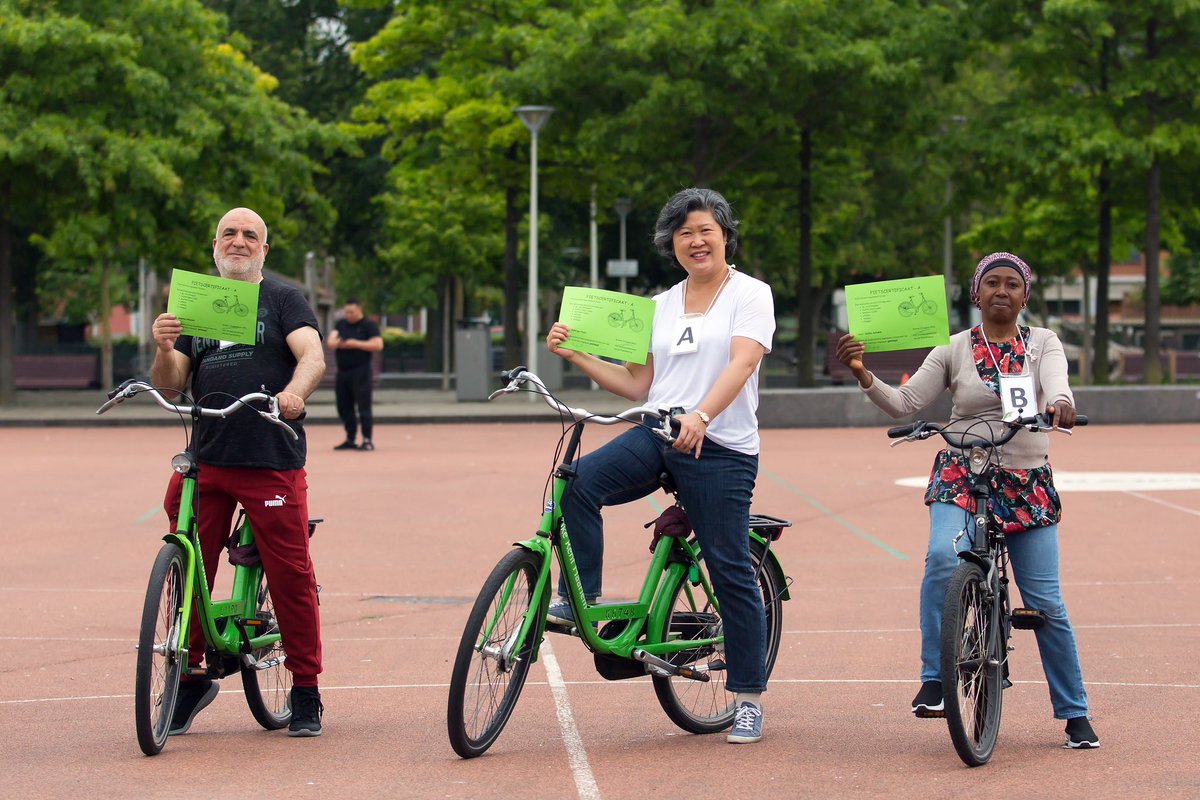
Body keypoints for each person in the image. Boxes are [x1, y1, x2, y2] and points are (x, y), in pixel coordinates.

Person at [835, 251, 1100, 749]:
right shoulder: (952, 348)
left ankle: (1074, 711)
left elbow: (1056, 386)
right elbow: (906, 403)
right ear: (976, 293)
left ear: (1025, 295)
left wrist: (1062, 404)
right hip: (963, 470)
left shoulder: (1043, 343)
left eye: (1012, 284)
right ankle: (935, 678)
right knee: (942, 557)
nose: (1002, 291)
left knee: (1045, 601)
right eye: (992, 283)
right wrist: (861, 372)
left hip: (1025, 481)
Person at [545, 187, 776, 744]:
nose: (696, 241)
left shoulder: (751, 294)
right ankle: (582, 598)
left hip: (720, 447)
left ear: (725, 235)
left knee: (729, 567)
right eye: (683, 233)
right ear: (671, 243)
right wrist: (576, 355)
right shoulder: (659, 305)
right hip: (658, 433)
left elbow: (743, 362)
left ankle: (748, 697)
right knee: (577, 482)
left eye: (705, 230)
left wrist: (702, 414)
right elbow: (637, 384)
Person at [150, 207, 327, 737]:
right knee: (189, 565)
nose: (239, 241)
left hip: (269, 453)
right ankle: (191, 675)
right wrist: (164, 347)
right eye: (229, 233)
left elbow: (312, 355)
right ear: (215, 245)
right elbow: (171, 383)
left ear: (264, 250)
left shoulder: (283, 299)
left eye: (251, 235)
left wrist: (294, 394)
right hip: (208, 453)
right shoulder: (196, 303)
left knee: (290, 574)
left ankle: (306, 688)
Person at [327, 298, 383, 451]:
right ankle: (350, 438)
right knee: (343, 406)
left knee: (364, 406)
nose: (349, 315)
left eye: (351, 312)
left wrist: (355, 343)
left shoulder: (369, 325)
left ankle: (367, 440)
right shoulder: (341, 324)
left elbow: (378, 344)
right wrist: (340, 343)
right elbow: (331, 341)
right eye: (346, 312)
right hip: (343, 372)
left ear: (359, 310)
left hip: (361, 371)